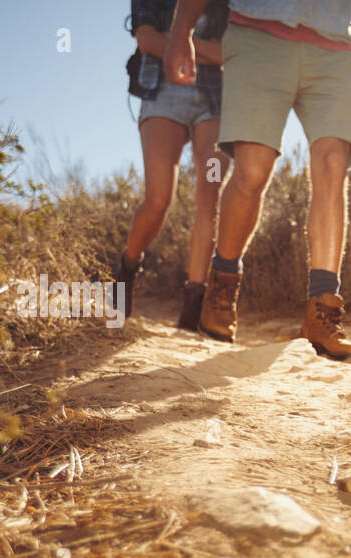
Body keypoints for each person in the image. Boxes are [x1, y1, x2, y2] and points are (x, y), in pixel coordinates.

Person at [163, 0, 351, 360]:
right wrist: (181, 31)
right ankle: (222, 288)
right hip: (256, 38)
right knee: (252, 170)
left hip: (335, 49)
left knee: (333, 162)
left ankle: (322, 313)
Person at [115, 0, 232, 331]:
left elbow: (232, 52)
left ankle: (193, 305)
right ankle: (127, 266)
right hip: (162, 94)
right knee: (158, 199)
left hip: (215, 97)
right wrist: (202, 48)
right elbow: (147, 40)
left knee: (209, 198)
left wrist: (179, 44)